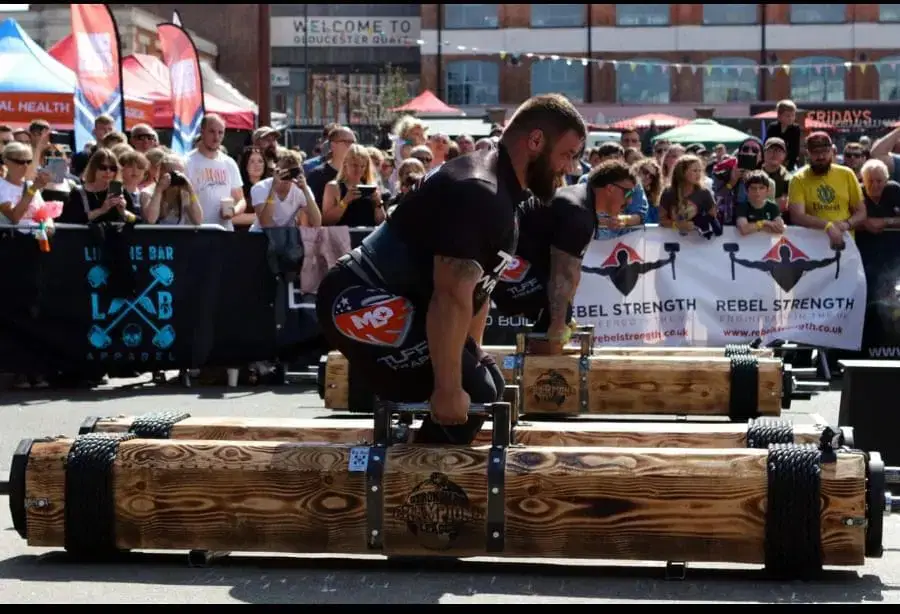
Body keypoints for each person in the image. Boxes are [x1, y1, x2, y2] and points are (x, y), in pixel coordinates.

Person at [315, 94, 586, 443]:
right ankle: (406, 483)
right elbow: (450, 296)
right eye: (566, 154)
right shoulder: (480, 190)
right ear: (535, 141)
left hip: (404, 299)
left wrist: (473, 354)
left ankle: (413, 454)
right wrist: (447, 388)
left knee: (490, 382)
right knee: (472, 394)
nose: (570, 167)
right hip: (359, 300)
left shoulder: (505, 190)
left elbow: (478, 292)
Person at [492, 160, 636, 354]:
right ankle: (542, 374)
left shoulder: (582, 200)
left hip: (507, 256)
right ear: (610, 188)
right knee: (557, 318)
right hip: (503, 258)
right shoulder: (579, 213)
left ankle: (542, 361)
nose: (629, 201)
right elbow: (566, 273)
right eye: (628, 193)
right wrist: (559, 324)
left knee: (558, 312)